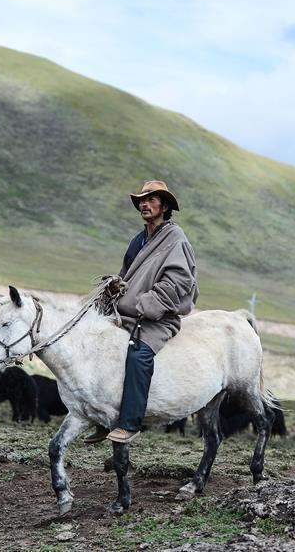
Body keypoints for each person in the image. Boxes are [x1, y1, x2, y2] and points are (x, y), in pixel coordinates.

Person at [84, 180, 199, 444]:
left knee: (138, 355)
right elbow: (127, 274)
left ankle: (130, 424)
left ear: (165, 205)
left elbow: (179, 281)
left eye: (151, 199)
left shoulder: (175, 239)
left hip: (158, 318)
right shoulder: (140, 239)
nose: (144, 204)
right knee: (100, 347)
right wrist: (115, 287)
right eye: (142, 201)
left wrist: (147, 305)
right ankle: (105, 417)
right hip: (128, 315)